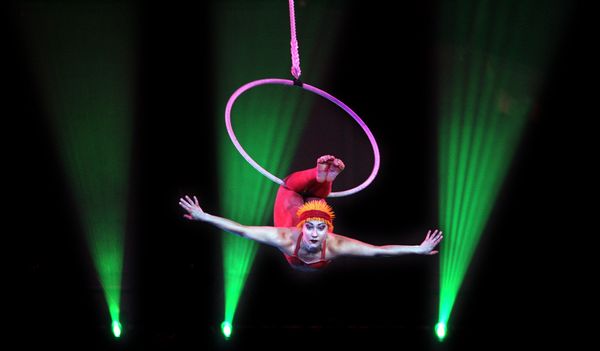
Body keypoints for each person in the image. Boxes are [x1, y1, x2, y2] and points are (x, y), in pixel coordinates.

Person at [179, 155, 443, 272]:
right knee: (313, 198)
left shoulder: (335, 244)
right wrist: (204, 217)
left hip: (294, 216)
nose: (316, 233)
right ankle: (322, 178)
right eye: (311, 227)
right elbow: (241, 229)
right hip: (294, 215)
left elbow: (378, 251)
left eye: (321, 228)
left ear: (329, 231)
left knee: (290, 187)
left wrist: (417, 250)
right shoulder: (286, 236)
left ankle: (322, 178)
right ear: (302, 228)